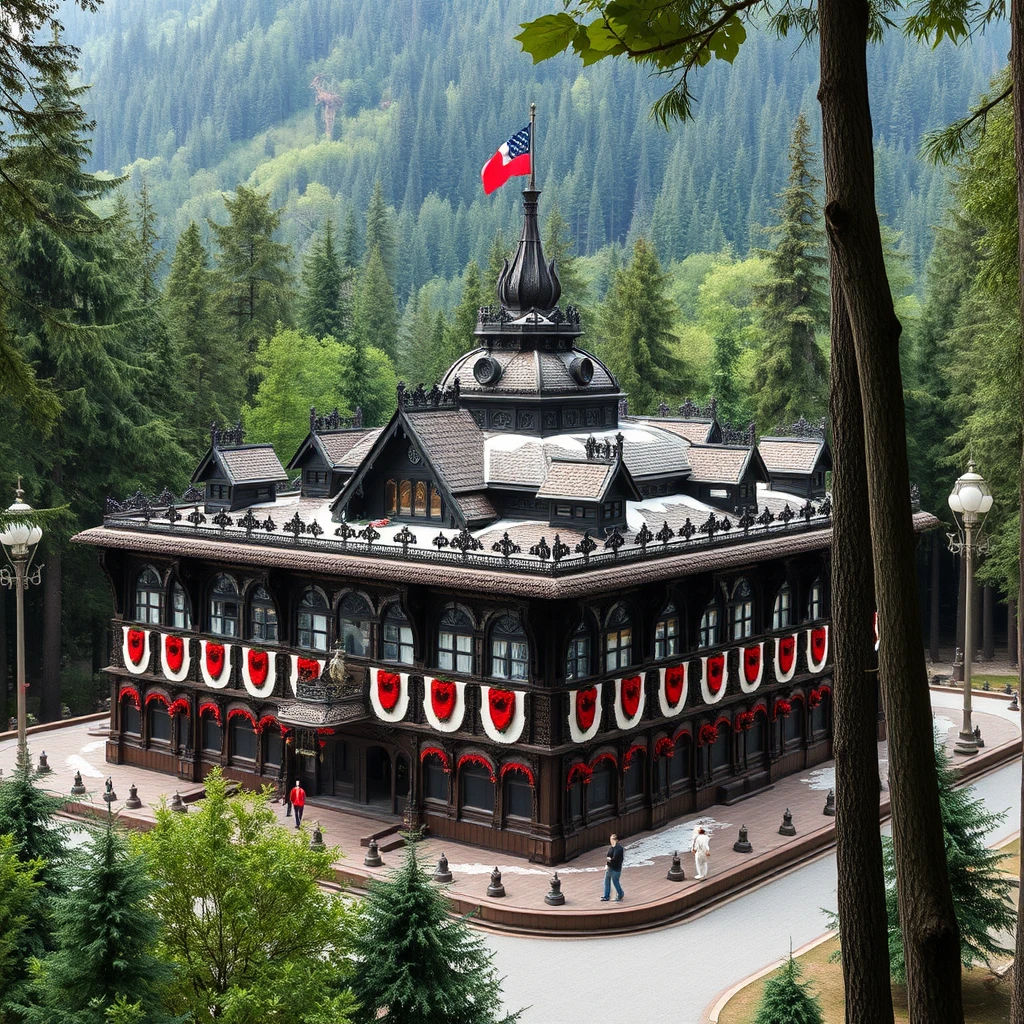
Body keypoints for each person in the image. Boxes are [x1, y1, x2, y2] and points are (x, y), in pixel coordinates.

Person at [601, 833, 625, 901]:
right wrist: (608, 863)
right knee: (606, 881)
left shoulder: (619, 849)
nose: (611, 841)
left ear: (616, 840)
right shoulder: (611, 848)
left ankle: (620, 894)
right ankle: (606, 896)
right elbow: (608, 856)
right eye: (611, 839)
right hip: (610, 867)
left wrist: (610, 860)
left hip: (615, 869)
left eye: (612, 839)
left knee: (615, 882)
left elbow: (615, 859)